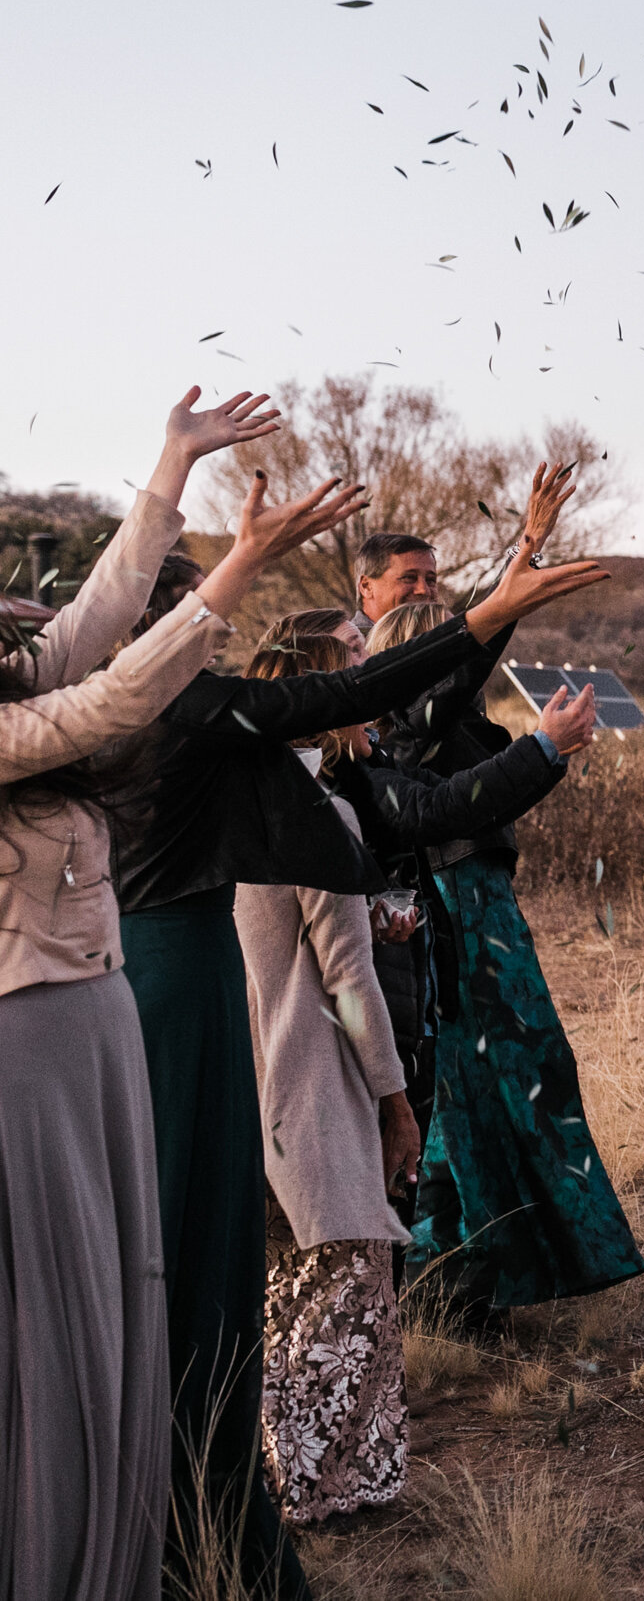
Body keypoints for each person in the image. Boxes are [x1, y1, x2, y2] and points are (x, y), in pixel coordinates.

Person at [109, 464, 605, 1598]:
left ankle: (235, 1481)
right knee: (267, 1267)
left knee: (223, 1269)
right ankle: (267, 1487)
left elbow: (397, 723)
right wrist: (488, 618)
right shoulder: (240, 757)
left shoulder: (169, 738)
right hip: (239, 1039)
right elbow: (348, 962)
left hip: (178, 1026)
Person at [0, 387, 358, 1601]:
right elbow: (102, 698)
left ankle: (119, 1540)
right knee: (53, 1311)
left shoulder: (8, 670)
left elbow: (89, 626)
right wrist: (230, 579)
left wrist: (171, 466)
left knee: (108, 1299)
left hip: (88, 1024)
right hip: (23, 1044)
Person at [371, 598, 643, 1329]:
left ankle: (464, 1279)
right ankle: (449, 1284)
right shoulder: (404, 730)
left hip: (486, 911)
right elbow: (459, 793)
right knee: (474, 1099)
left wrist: (548, 748)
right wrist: (512, 594)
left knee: (500, 1092)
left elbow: (498, 792)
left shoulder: (450, 727)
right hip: (458, 919)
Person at [235, 626, 420, 1527]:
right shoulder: (319, 815)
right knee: (345, 1296)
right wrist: (392, 1097)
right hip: (308, 1090)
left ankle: (270, 1483)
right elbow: (348, 981)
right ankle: (318, 1488)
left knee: (274, 1303)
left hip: (235, 1090)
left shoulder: (215, 805)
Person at [348, 532, 441, 635]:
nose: (424, 590)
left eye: (430, 580)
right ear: (367, 586)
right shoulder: (345, 648)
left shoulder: (442, 641)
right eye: (409, 578)